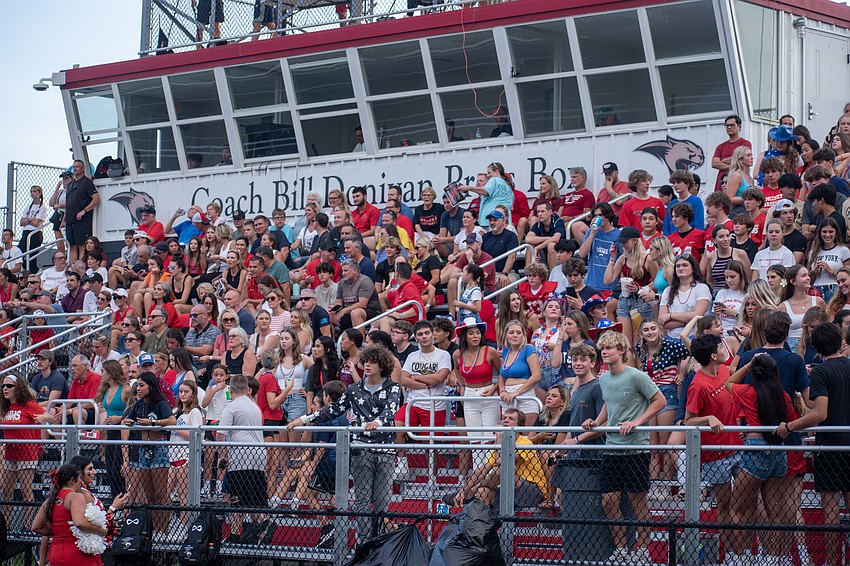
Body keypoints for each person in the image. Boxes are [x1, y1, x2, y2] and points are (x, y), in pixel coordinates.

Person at [288, 345, 402, 544]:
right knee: (362, 500)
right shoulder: (354, 389)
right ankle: (364, 543)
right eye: (366, 361)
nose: (367, 365)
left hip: (385, 450)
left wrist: (379, 423)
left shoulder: (392, 387)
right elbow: (332, 410)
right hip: (360, 449)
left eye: (372, 362)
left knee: (382, 500)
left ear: (382, 365)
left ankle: (380, 542)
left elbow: (391, 410)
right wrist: (304, 419)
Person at [582, 331, 665, 565]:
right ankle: (620, 550)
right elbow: (609, 404)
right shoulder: (604, 379)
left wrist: (637, 422)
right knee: (608, 501)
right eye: (603, 349)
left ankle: (643, 552)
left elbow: (660, 401)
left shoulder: (637, 376)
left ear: (622, 351)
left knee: (638, 501)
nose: (605, 352)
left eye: (609, 348)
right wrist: (597, 422)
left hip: (636, 448)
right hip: (612, 447)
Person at [777, 322, 850, 566]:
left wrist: (789, 426)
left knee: (830, 506)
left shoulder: (821, 371)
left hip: (830, 445)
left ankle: (831, 561)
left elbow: (819, 413)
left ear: (816, 347)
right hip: (845, 444)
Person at [726, 353, 797, 566]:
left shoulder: (748, 392)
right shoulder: (783, 395)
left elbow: (729, 382)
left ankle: (743, 558)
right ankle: (772, 559)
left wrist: (748, 364)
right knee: (774, 512)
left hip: (756, 452)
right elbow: (792, 421)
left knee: (736, 508)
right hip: (778, 451)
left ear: (755, 373)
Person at [684, 333, 743, 563]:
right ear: (712, 355)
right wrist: (707, 417)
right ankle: (730, 554)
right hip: (714, 453)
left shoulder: (727, 371)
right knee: (726, 505)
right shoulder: (697, 384)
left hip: (737, 447)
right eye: (720, 345)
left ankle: (744, 553)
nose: (724, 347)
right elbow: (688, 421)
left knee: (743, 504)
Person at [451, 408, 546, 510]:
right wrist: (463, 490)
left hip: (533, 491)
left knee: (500, 470)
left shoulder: (524, 443)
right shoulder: (500, 444)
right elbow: (482, 470)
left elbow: (504, 463)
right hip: (509, 489)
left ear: (519, 426)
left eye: (511, 419)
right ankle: (484, 522)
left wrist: (499, 438)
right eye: (505, 418)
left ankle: (470, 493)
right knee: (483, 491)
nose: (505, 420)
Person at [216, 374, 271, 545]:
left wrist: (222, 457)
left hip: (241, 455)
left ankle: (264, 522)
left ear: (230, 390)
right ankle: (236, 533)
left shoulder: (231, 407)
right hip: (258, 455)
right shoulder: (254, 406)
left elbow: (220, 434)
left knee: (237, 496)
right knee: (246, 494)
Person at [120, 372, 176, 535]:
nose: (138, 388)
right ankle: (154, 529)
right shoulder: (138, 405)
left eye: (142, 385)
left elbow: (171, 420)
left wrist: (153, 423)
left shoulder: (160, 404)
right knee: (149, 494)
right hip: (143, 449)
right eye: (137, 385)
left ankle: (164, 528)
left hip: (157, 448)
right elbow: (127, 420)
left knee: (160, 492)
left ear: (151, 387)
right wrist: (130, 422)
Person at [605, 226, 657, 346]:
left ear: (634, 240)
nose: (623, 245)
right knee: (626, 342)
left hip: (641, 301)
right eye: (622, 243)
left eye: (625, 242)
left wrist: (640, 289)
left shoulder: (648, 259)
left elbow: (658, 282)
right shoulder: (623, 258)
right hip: (625, 300)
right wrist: (612, 259)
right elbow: (608, 280)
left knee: (640, 342)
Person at [659, 254, 712, 340]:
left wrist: (670, 315)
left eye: (685, 265)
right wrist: (685, 322)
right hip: (672, 339)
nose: (680, 268)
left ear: (693, 269)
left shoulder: (702, 288)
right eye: (678, 266)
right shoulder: (667, 291)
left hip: (695, 338)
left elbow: (698, 315)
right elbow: (663, 322)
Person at [499, 320, 542, 425]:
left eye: (518, 333)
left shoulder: (528, 349)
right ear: (506, 335)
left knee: (526, 437)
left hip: (524, 396)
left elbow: (536, 376)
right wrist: (502, 391)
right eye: (511, 332)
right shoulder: (506, 351)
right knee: (509, 436)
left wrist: (516, 392)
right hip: (507, 398)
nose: (515, 335)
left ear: (523, 335)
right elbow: (502, 375)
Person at [780, 265, 827, 352]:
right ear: (793, 281)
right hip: (791, 347)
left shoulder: (818, 301)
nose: (808, 278)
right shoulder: (783, 306)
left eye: (808, 275)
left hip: (815, 345)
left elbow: (827, 325)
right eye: (803, 276)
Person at [578, 202, 621, 294]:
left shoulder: (618, 235)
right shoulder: (591, 232)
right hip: (592, 284)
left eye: (600, 215)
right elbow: (582, 254)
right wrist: (592, 233)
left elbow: (622, 261)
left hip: (610, 285)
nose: (598, 218)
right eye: (596, 215)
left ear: (607, 215)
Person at [63, 160, 100, 263]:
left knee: (81, 245)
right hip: (70, 220)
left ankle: (80, 267)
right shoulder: (70, 184)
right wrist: (64, 220)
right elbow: (68, 202)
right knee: (72, 246)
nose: (75, 168)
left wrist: (84, 211)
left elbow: (96, 199)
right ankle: (72, 269)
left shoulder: (87, 182)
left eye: (77, 167)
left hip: (81, 220)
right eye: (74, 167)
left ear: (82, 168)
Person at [331, 259, 381, 330]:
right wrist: (334, 308)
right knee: (326, 315)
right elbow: (339, 301)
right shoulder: (341, 283)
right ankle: (332, 339)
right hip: (347, 312)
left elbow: (362, 304)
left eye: (346, 271)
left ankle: (360, 340)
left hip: (369, 311)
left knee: (355, 313)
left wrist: (343, 311)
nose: (343, 273)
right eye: (342, 271)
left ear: (355, 270)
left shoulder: (365, 281)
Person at [808, 218, 850, 302]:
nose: (827, 235)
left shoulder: (843, 250)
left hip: (834, 289)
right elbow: (808, 277)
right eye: (824, 232)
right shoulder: (813, 252)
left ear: (836, 233)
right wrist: (813, 272)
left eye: (831, 232)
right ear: (820, 233)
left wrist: (830, 270)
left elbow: (848, 274)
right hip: (816, 290)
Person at [712, 114, 752, 193]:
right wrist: (735, 165)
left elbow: (742, 158)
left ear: (739, 127)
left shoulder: (745, 144)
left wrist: (723, 160)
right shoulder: (721, 146)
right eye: (727, 125)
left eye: (732, 125)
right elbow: (714, 163)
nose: (729, 127)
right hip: (722, 183)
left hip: (739, 182)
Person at [663, 170, 705, 235]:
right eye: (674, 183)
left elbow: (699, 225)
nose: (675, 185)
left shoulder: (696, 201)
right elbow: (666, 227)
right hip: (673, 242)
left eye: (678, 182)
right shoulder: (671, 204)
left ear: (687, 183)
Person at [560, 167, 596, 241]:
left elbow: (586, 215)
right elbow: (559, 211)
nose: (572, 179)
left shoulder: (587, 194)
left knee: (567, 225)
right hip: (562, 222)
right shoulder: (567, 195)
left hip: (576, 223)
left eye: (575, 177)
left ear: (583, 178)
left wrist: (570, 218)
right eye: (571, 177)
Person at [18, 185, 48, 272]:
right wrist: (31, 219)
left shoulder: (42, 207)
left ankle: (35, 271)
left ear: (39, 193)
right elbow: (21, 222)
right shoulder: (28, 207)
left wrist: (28, 220)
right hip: (26, 232)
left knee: (32, 256)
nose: (32, 193)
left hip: (35, 233)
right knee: (20, 252)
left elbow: (36, 223)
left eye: (35, 191)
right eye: (31, 191)